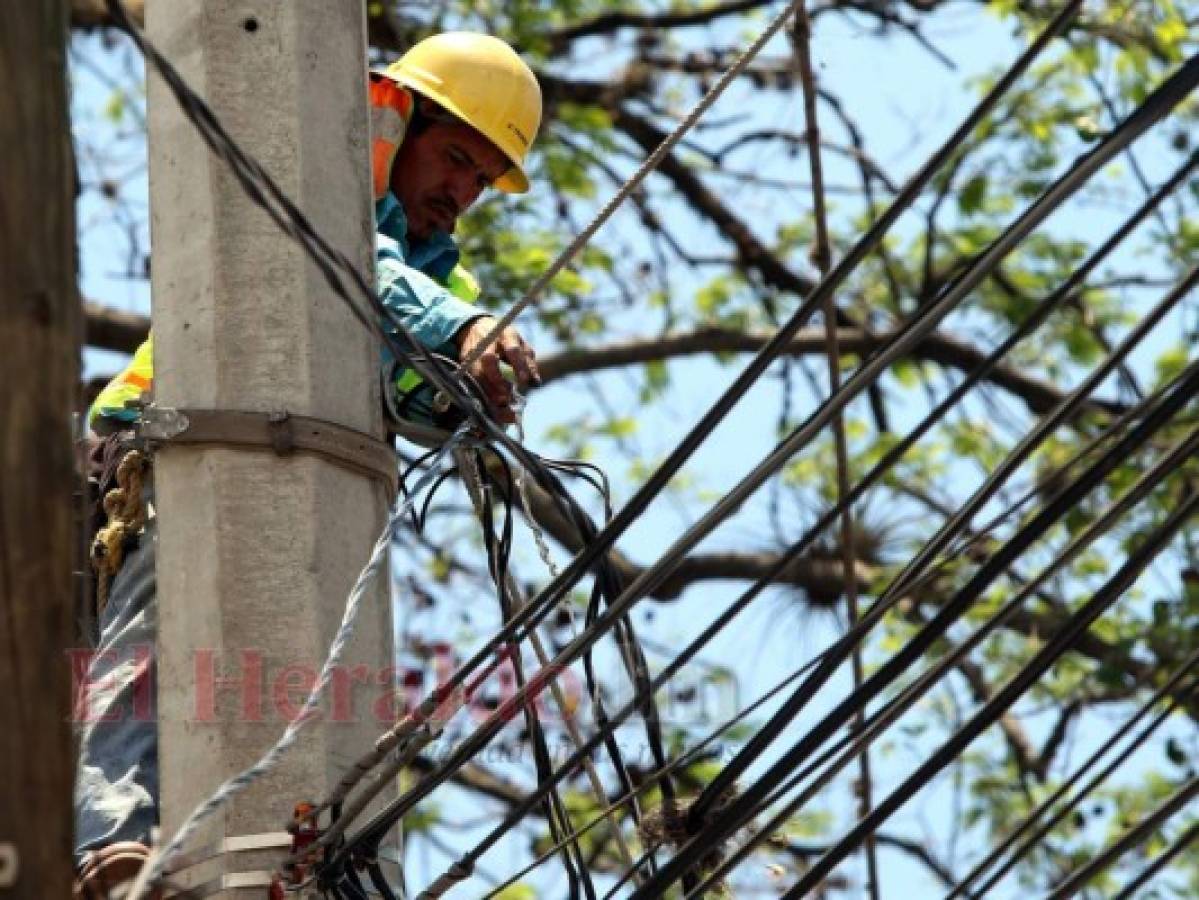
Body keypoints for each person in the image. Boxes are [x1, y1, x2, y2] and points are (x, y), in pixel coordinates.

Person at [73, 32, 543, 897]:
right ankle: (109, 843)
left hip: (221, 469)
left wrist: (459, 395)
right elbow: (364, 268)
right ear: (398, 132)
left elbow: (405, 385)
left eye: (482, 180)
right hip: (146, 456)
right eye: (453, 158)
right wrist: (455, 334)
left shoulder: (447, 284)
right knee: (151, 649)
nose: (462, 193)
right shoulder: (321, 194)